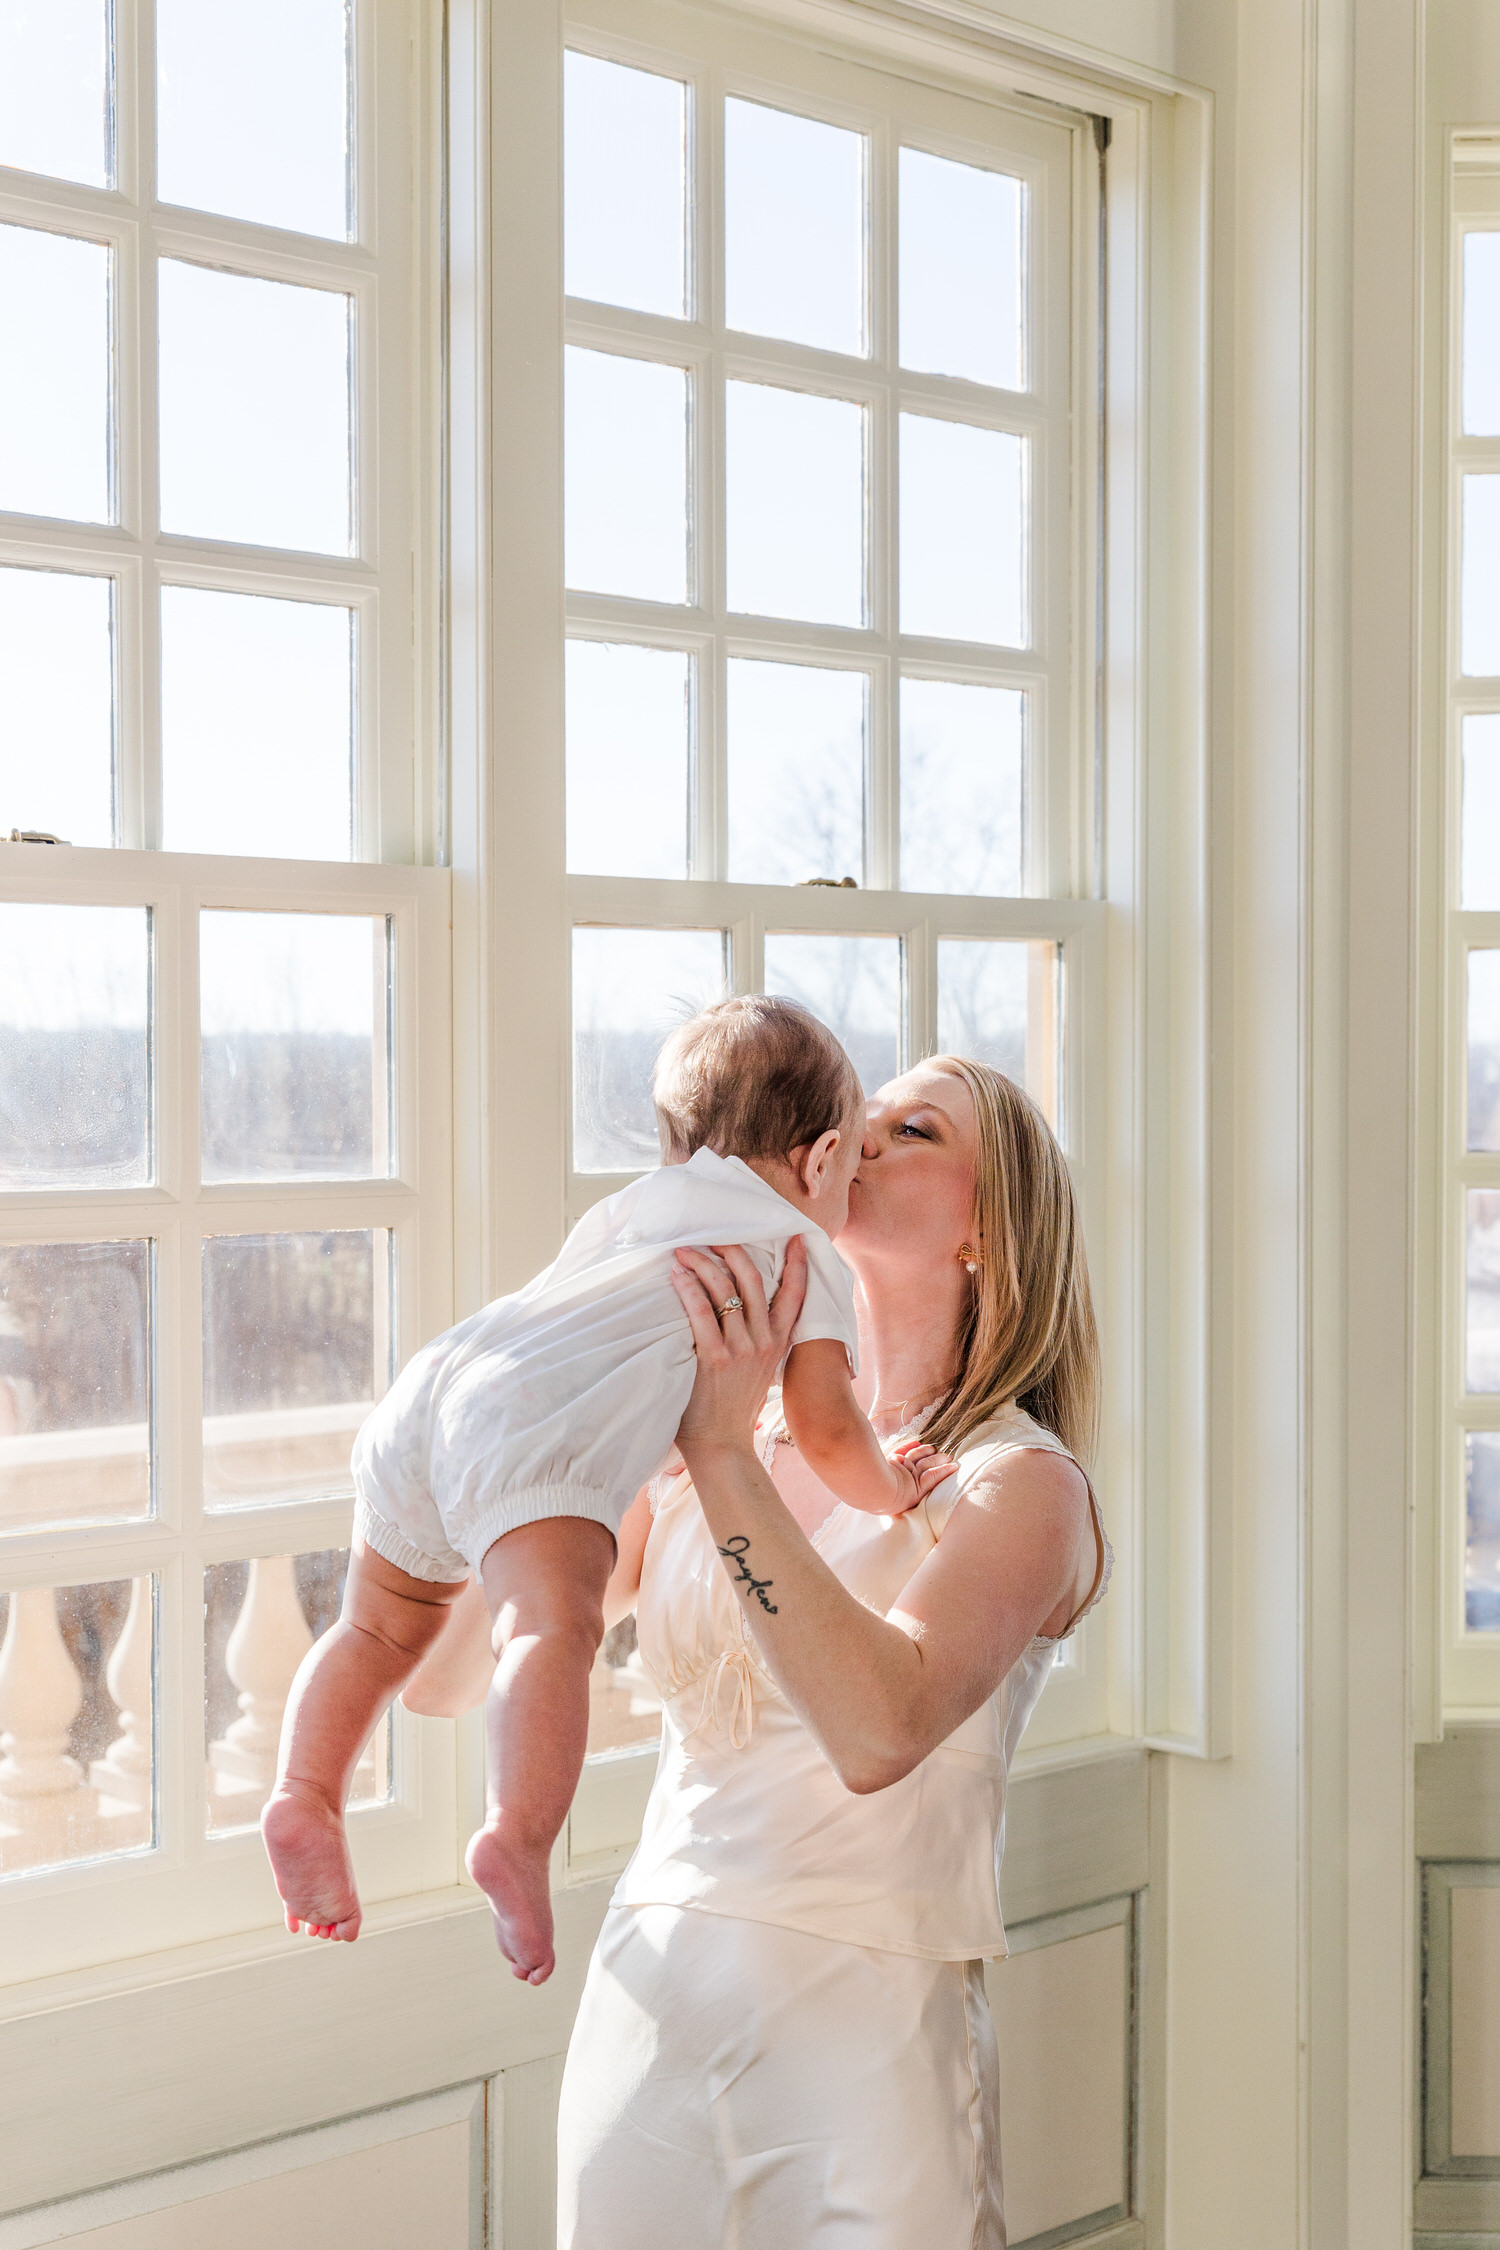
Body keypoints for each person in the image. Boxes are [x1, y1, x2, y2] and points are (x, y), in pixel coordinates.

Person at [259, 997, 955, 1983]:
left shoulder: (637, 1206)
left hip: (434, 1385)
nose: (860, 1173)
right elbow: (829, 1428)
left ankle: (304, 1792)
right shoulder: (799, 1251)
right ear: (820, 1157)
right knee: (549, 1630)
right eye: (858, 1155)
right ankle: (518, 1835)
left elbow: (586, 1338)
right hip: (531, 1432)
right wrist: (893, 1491)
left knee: (374, 1631)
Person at [556, 1055, 1108, 2250]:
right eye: (854, 1116)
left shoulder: (1020, 1487)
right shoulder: (723, 1419)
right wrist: (516, 1413)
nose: (856, 1136)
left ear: (989, 1231)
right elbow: (476, 1664)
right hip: (651, 1989)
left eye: (912, 1128)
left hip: (862, 2038)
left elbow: (878, 1731)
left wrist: (717, 1451)